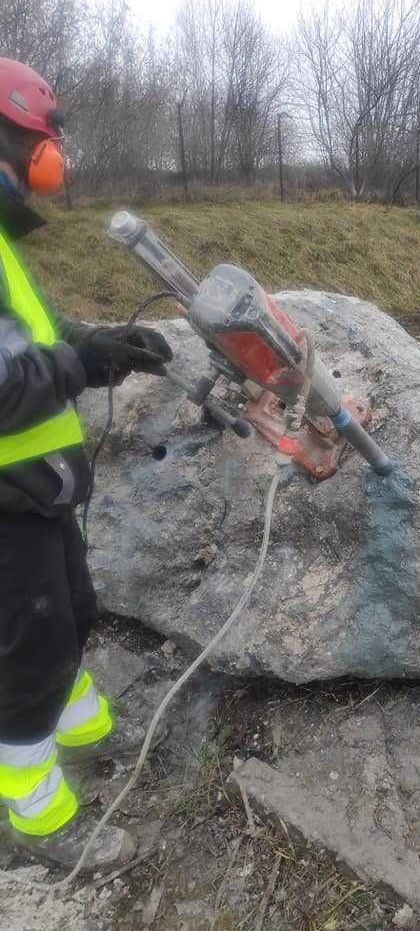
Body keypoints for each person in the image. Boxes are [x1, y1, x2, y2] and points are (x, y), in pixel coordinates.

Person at [0, 58, 172, 870]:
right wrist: (77, 366)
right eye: (42, 139)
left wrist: (99, 348)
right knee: (25, 653)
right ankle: (35, 818)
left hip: (36, 496)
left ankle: (87, 733)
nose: (51, 158)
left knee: (70, 608)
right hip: (3, 504)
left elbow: (35, 334)